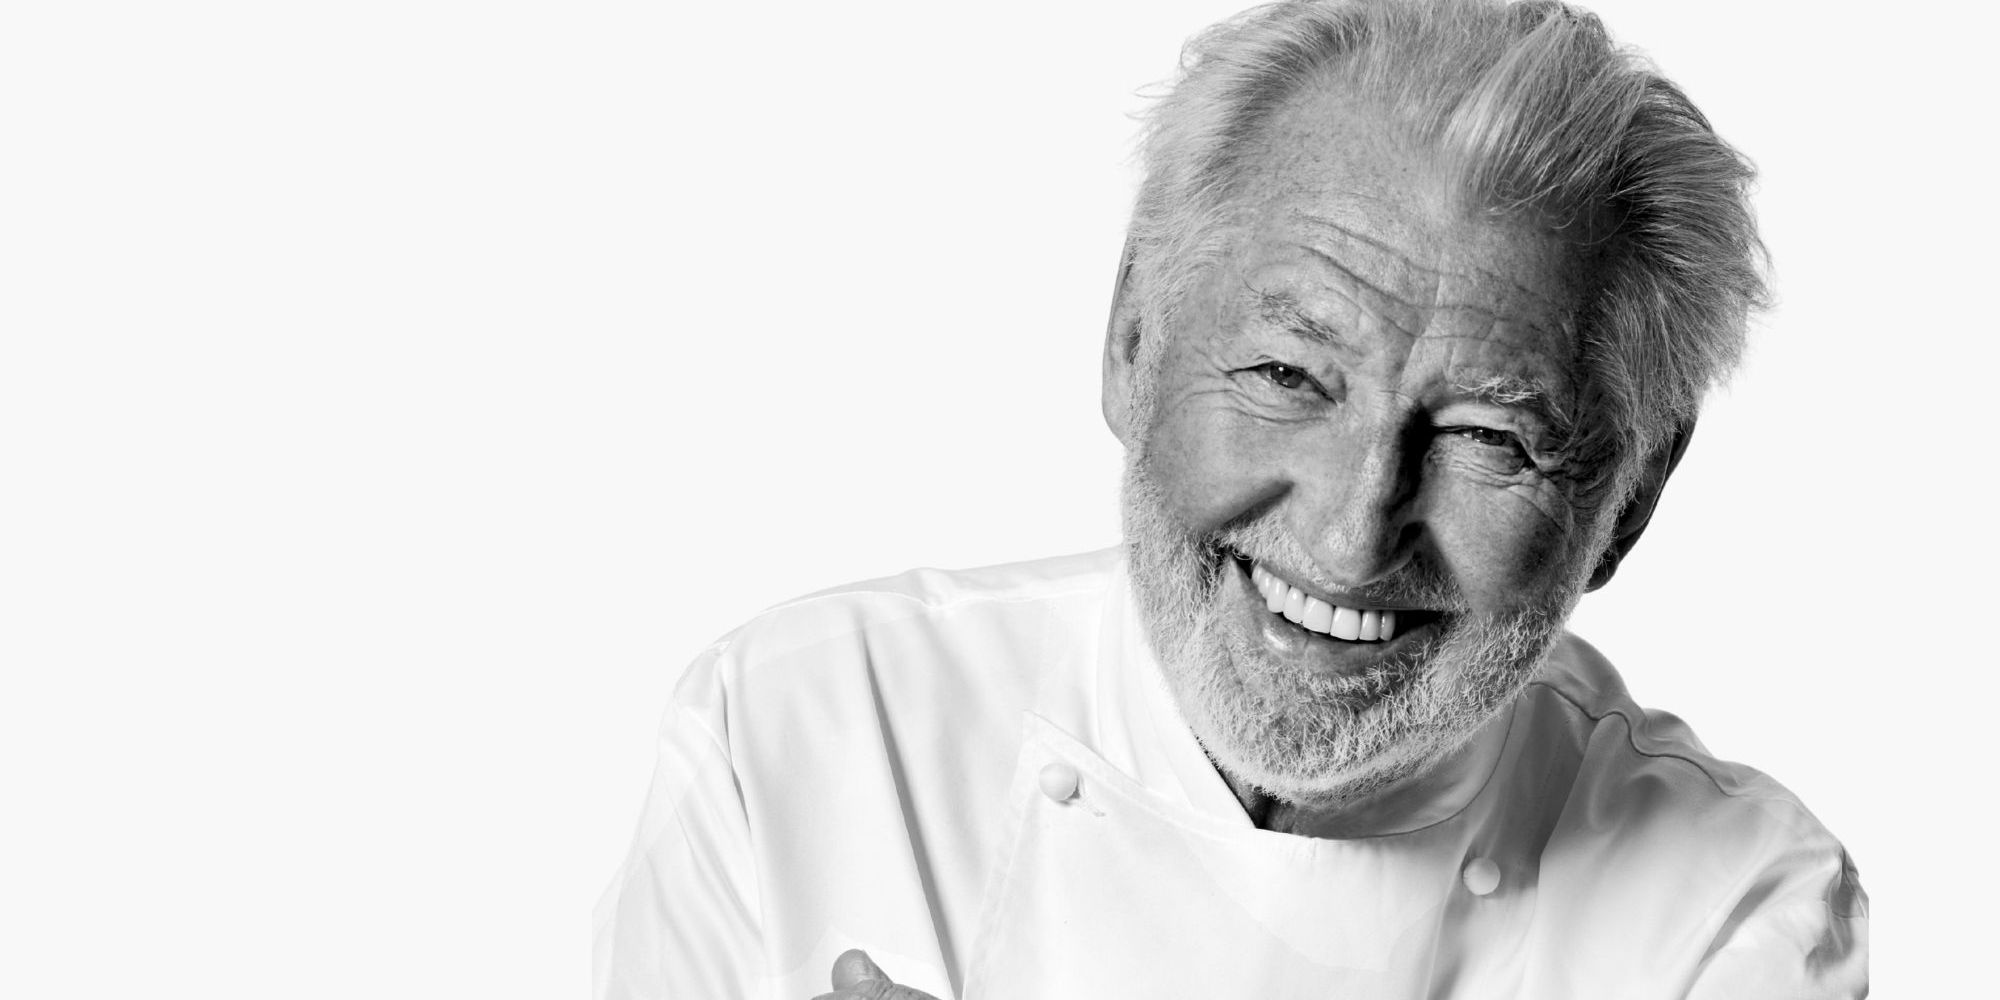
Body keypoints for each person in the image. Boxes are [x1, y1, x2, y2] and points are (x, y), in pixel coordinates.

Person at [594, 0, 1868, 996]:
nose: (1351, 529)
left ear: (1629, 499)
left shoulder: (1727, 904)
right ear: (1130, 342)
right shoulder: (794, 733)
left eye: (1486, 434)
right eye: (1284, 373)